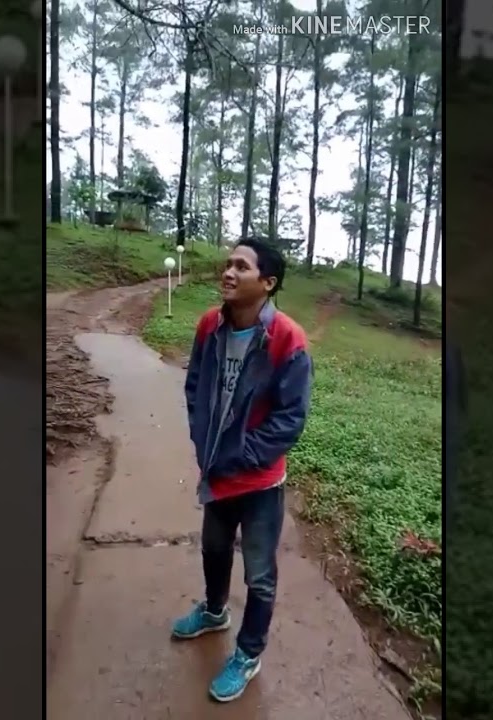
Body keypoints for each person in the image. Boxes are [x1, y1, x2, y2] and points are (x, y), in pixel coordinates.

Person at [171, 237, 314, 703]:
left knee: (260, 575)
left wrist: (240, 454)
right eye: (228, 263)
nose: (228, 272)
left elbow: (290, 418)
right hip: (217, 470)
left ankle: (248, 654)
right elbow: (195, 386)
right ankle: (215, 612)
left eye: (241, 266)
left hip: (259, 481)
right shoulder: (209, 325)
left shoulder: (288, 338)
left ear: (267, 283)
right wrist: (203, 439)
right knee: (214, 549)